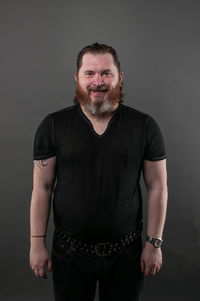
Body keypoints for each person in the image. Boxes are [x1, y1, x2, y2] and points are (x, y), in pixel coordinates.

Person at [29, 42, 168, 301]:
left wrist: (154, 243)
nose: (98, 81)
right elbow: (42, 188)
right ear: (77, 78)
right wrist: (36, 243)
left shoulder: (145, 126)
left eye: (106, 73)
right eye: (89, 73)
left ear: (119, 77)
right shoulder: (53, 125)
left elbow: (158, 187)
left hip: (126, 253)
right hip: (69, 252)